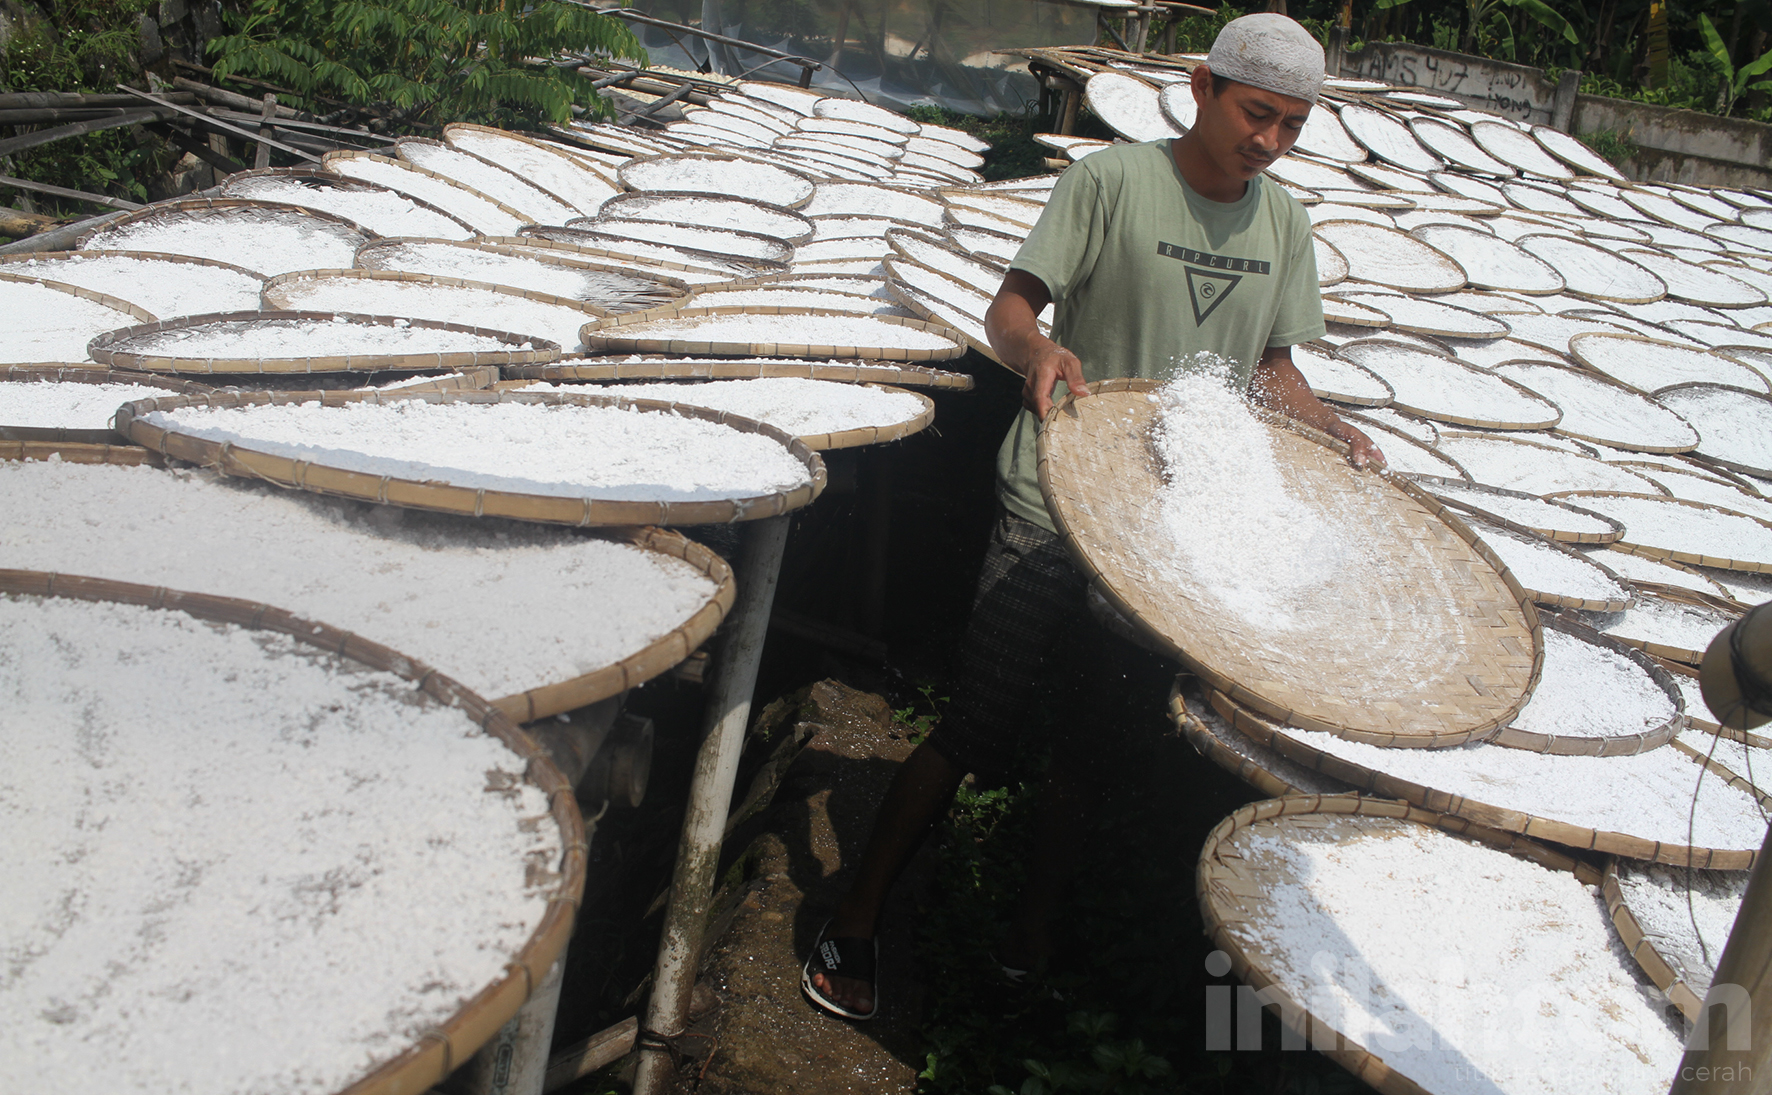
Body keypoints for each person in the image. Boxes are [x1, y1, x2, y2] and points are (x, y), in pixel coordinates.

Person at [801, 13, 1385, 1021]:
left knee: (1092, 746)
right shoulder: (1108, 186)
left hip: (1164, 536)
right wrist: (1036, 356)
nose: (1269, 142)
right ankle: (853, 917)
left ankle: (1026, 937)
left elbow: (1272, 371)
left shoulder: (1281, 225)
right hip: (1056, 501)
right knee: (978, 719)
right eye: (1256, 114)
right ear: (1202, 89)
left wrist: (1330, 427)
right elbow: (1011, 309)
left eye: (1291, 126)